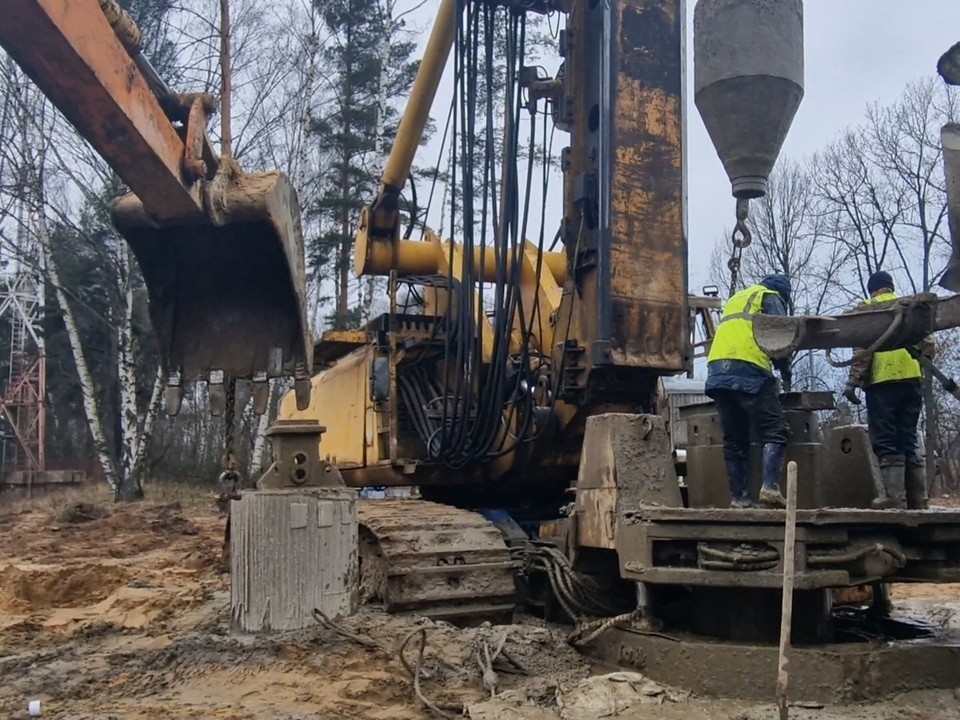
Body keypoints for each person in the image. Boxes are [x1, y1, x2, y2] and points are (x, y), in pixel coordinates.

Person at [842, 271, 935, 510]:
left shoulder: (868, 309)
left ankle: (894, 498)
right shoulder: (909, 306)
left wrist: (853, 382)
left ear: (871, 289)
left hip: (882, 380)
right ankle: (918, 500)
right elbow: (929, 343)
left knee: (885, 438)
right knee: (908, 436)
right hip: (911, 378)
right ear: (890, 287)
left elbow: (863, 351)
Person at [706, 275, 793, 509]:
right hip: (749, 367)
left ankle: (739, 499)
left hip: (717, 370)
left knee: (735, 439)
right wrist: (785, 370)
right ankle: (770, 489)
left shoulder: (738, 298)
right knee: (775, 430)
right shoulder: (771, 297)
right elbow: (779, 338)